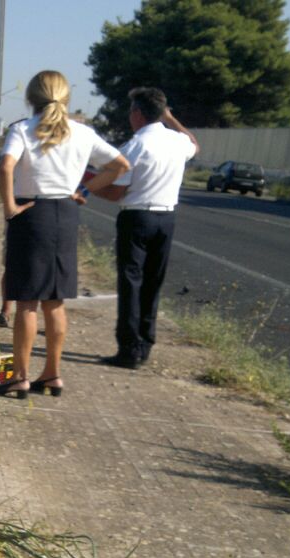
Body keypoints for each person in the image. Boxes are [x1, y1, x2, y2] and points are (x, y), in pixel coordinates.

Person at [0, 70, 130, 399]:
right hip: (65, 214)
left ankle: (20, 376)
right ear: (66, 98)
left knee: (26, 302)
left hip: (31, 213)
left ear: (31, 98)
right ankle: (52, 373)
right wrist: (85, 189)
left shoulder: (22, 129)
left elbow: (7, 166)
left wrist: (9, 206)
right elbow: (121, 165)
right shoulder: (82, 132)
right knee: (55, 301)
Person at [92, 87, 198, 369]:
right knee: (153, 282)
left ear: (137, 114)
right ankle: (146, 342)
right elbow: (194, 144)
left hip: (137, 217)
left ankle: (129, 347)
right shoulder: (176, 141)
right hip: (167, 218)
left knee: (131, 283)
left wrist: (90, 188)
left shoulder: (134, 147)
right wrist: (170, 117)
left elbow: (116, 192)